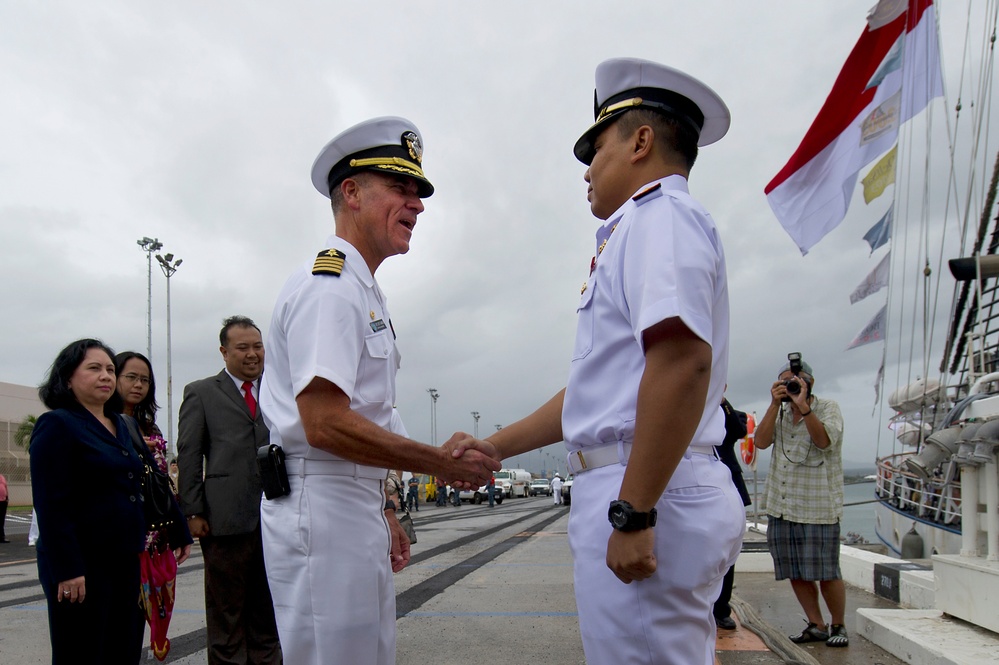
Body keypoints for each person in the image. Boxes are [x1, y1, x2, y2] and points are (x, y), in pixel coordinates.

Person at [448, 58, 745, 665]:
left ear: (641, 142)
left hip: (646, 485)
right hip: (641, 482)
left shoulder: (661, 218)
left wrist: (635, 511)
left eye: (597, 146)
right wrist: (496, 447)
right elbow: (596, 391)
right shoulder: (637, 229)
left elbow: (682, 361)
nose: (587, 168)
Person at [257, 116, 500, 665]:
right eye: (400, 188)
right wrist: (437, 462)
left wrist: (389, 506)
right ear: (351, 193)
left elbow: (375, 415)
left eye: (418, 192)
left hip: (352, 501)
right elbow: (324, 423)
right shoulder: (331, 286)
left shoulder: (363, 290)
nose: (416, 205)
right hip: (322, 502)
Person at [29, 338, 192, 665]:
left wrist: (178, 530)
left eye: (108, 369)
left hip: (125, 557)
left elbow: (152, 479)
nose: (105, 375)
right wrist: (68, 569)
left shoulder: (124, 424)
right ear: (68, 378)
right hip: (81, 564)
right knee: (82, 650)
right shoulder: (58, 424)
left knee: (123, 647)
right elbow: (51, 504)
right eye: (93, 368)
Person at [177, 316, 282, 665]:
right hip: (223, 520)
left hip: (277, 515)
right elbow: (190, 455)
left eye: (258, 346)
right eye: (242, 348)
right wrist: (193, 511)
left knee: (269, 607)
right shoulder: (201, 392)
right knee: (227, 610)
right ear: (224, 352)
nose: (253, 354)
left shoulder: (281, 387)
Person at [754, 357, 848, 648]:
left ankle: (838, 624)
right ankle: (816, 624)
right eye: (784, 383)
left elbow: (823, 442)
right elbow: (759, 441)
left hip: (817, 505)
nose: (790, 387)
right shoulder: (779, 412)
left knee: (827, 571)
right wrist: (773, 405)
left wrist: (804, 406)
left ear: (810, 384)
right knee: (793, 568)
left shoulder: (827, 408)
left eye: (795, 382)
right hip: (782, 504)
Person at [113, 351, 179, 659]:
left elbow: (162, 485)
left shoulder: (150, 427)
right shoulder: (104, 424)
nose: (139, 385)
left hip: (152, 539)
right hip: (120, 541)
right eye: (131, 377)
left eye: (145, 380)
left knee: (136, 627)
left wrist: (177, 531)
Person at [712, 397, 752, 631]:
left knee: (727, 552)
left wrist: (722, 401)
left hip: (728, 485)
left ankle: (721, 609)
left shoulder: (730, 413)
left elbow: (738, 430)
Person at [0, 472, 9, 543]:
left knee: (1, 520)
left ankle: (1, 537)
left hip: (3, 501)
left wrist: (7, 498)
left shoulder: (2, 477)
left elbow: (5, 487)